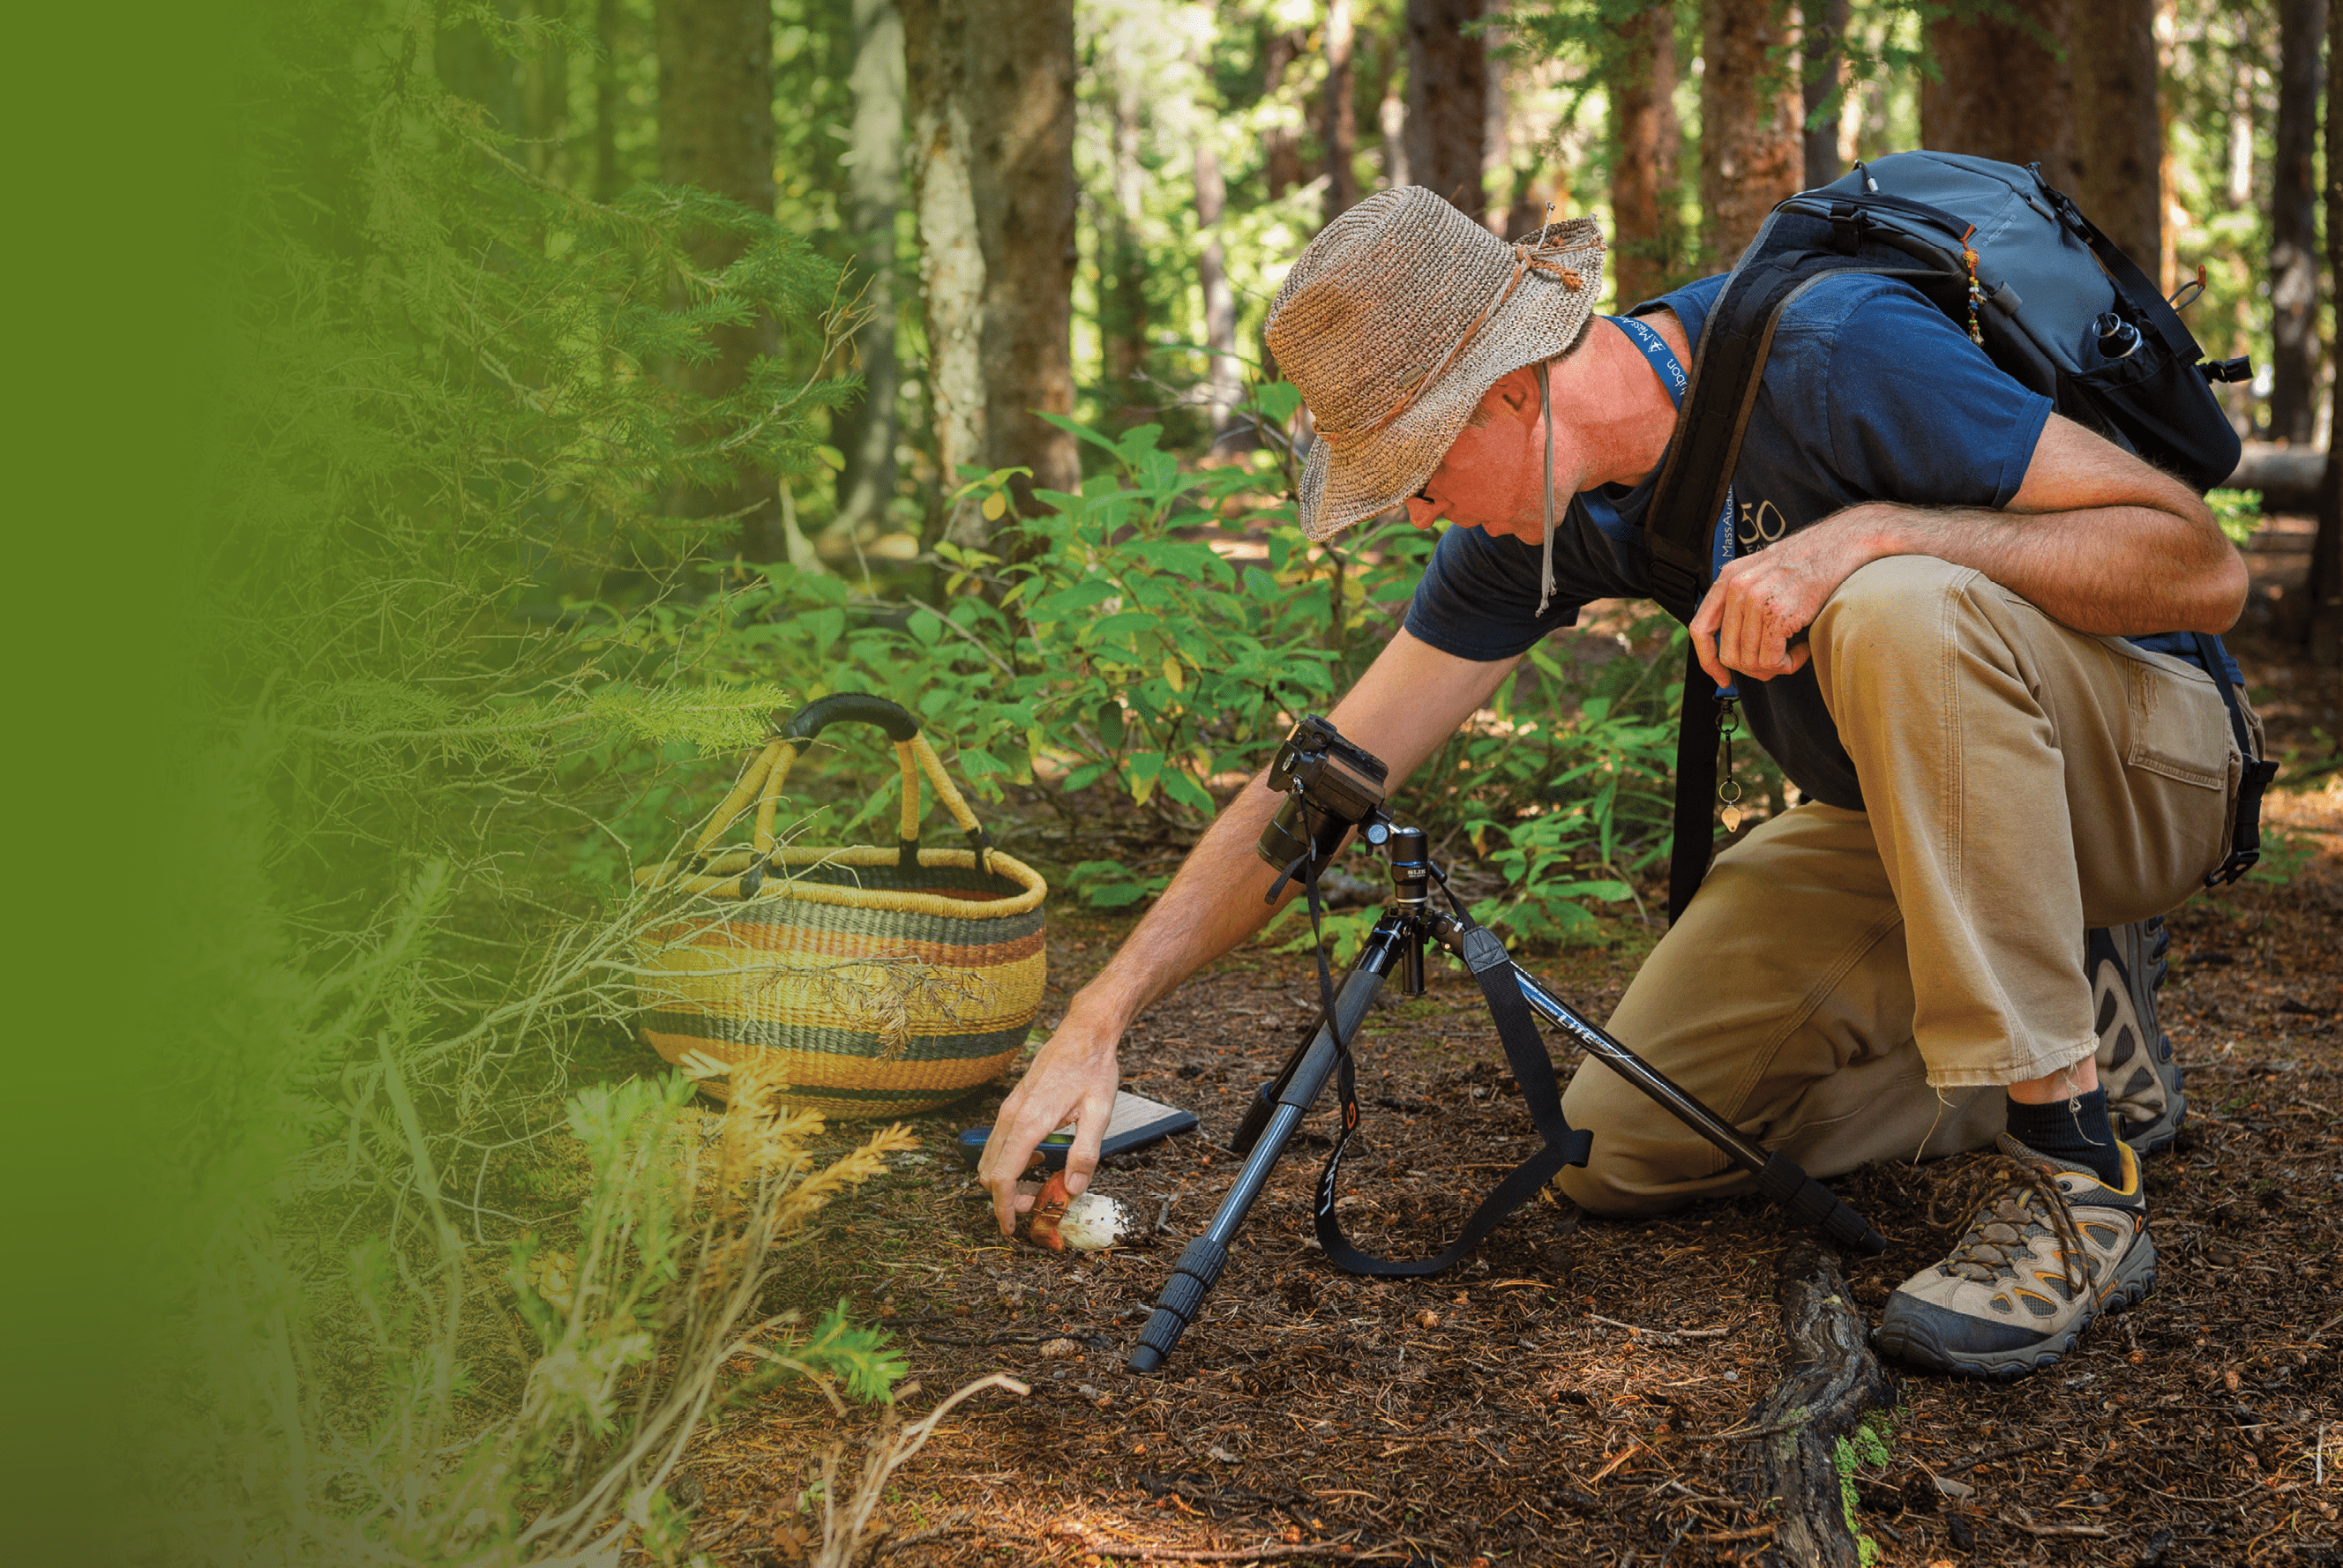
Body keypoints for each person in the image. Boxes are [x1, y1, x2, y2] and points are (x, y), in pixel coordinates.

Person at [977, 187, 2252, 1379]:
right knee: (1625, 1141)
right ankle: (2077, 1017)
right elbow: (1328, 780)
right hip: (1915, 823)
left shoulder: (1835, 352)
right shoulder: (1544, 523)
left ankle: (2075, 1175)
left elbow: (2200, 567)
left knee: (1894, 603)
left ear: (1506, 402)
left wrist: (1870, 533)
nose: (1419, 513)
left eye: (1417, 473)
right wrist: (1104, 1012)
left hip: (2148, 767)